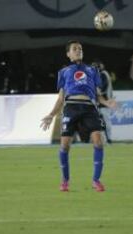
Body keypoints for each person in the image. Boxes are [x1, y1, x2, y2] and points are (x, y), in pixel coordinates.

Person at [40, 40, 116, 192]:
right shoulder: (64, 72)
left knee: (99, 142)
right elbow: (61, 98)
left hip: (89, 108)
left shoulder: (92, 70)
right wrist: (51, 115)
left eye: (80, 49)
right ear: (68, 54)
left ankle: (96, 180)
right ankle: (65, 180)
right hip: (71, 108)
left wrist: (107, 103)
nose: (78, 51)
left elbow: (98, 95)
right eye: (74, 49)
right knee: (65, 145)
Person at [92, 61, 114, 143]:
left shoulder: (103, 74)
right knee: (100, 122)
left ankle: (108, 139)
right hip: (100, 102)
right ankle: (102, 139)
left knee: (106, 121)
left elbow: (102, 87)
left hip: (104, 102)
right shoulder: (98, 75)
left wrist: (96, 92)